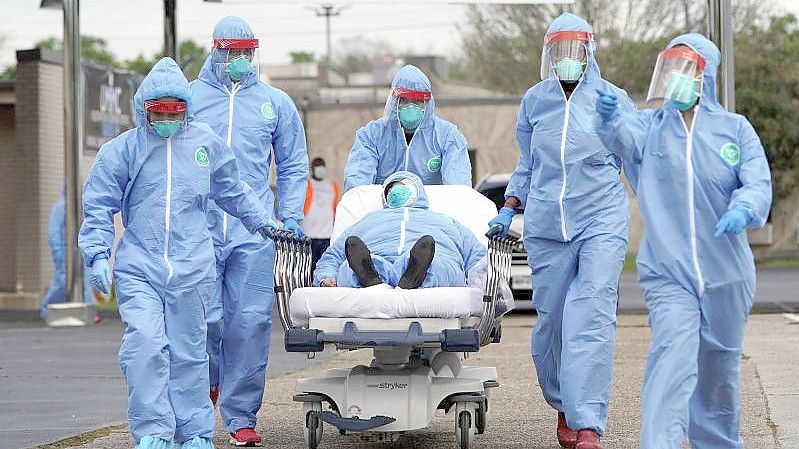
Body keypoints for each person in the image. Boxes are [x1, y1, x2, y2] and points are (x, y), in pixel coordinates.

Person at [79, 57, 277, 449]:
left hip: (193, 266)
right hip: (141, 268)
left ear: (186, 108)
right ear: (144, 110)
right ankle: (153, 430)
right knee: (146, 347)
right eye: (159, 111)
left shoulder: (204, 142)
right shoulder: (123, 150)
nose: (168, 117)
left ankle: (195, 433)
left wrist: (261, 222)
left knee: (189, 354)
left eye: (175, 109)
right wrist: (98, 253)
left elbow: (233, 190)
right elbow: (99, 203)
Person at [595, 33, 772, 449]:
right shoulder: (650, 127)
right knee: (672, 358)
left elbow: (758, 181)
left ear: (704, 77)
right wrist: (609, 122)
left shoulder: (735, 130)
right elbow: (623, 137)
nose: (676, 78)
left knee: (719, 370)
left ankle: (718, 443)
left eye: (686, 70)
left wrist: (744, 207)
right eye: (671, 69)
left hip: (727, 273)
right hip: (669, 272)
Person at [487, 13, 634, 449]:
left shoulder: (611, 99)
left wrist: (666, 216)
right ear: (549, 54)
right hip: (548, 224)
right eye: (560, 51)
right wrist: (509, 205)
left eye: (576, 50)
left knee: (590, 315)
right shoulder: (535, 101)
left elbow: (639, 157)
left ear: (589, 52)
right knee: (550, 322)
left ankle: (587, 422)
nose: (568, 59)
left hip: (601, 219)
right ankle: (565, 406)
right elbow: (528, 164)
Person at [189, 15, 309, 447]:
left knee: (251, 322)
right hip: (197, 229)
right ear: (216, 51)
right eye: (233, 52)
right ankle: (207, 383)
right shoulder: (188, 98)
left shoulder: (276, 103)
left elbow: (294, 163)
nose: (241, 60)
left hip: (254, 231)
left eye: (247, 52)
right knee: (201, 320)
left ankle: (241, 415)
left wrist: (290, 214)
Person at [315, 171, 485, 289]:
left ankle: (417, 271)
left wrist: (484, 282)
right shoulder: (367, 221)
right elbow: (334, 255)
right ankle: (370, 272)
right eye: (392, 188)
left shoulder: (446, 221)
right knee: (349, 267)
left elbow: (476, 254)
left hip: (432, 256)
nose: (397, 190)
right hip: (378, 254)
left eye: (404, 186)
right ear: (385, 196)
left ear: (419, 192)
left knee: (441, 266)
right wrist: (326, 277)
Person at [343, 64, 472, 191]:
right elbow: (357, 187)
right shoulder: (371, 135)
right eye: (404, 100)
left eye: (417, 101)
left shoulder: (448, 136)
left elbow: (459, 189)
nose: (410, 107)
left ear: (427, 103)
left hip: (431, 211)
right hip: (384, 210)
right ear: (393, 101)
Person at [40, 190, 101, 323]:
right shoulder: (61, 208)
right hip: (64, 250)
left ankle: (88, 310)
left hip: (80, 250)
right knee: (62, 280)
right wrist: (57, 251)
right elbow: (54, 231)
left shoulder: (82, 208)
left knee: (85, 279)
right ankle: (47, 309)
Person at [302, 157, 340, 271]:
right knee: (308, 267)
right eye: (317, 166)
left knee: (324, 265)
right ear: (312, 169)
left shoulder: (332, 185)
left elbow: (335, 207)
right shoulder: (305, 184)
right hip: (309, 233)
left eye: (322, 166)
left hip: (327, 234)